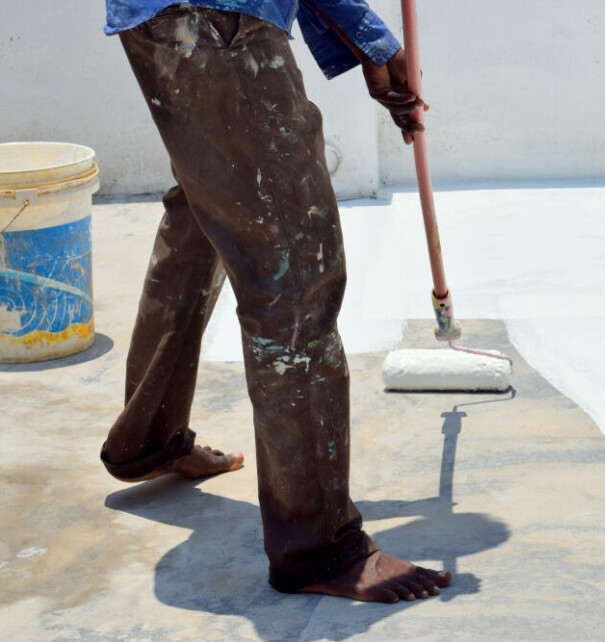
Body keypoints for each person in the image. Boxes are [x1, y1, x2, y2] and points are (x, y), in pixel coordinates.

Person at [98, 0, 451, 603]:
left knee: (205, 215)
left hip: (177, 16)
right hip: (215, 23)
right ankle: (318, 546)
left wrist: (359, 39)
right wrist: (366, 36)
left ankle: (146, 440)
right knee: (294, 267)